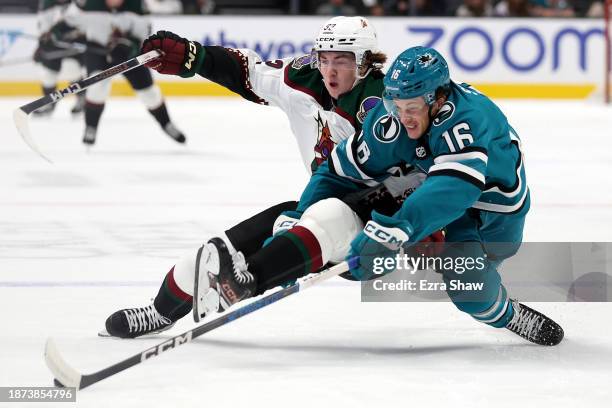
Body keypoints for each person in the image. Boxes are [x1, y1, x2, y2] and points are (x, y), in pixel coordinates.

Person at [186, 46, 564, 346]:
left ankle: (508, 313)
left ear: (438, 100)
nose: (403, 119)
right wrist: (302, 214)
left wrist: (399, 228)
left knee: (468, 289)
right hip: (427, 188)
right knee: (340, 222)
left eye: (412, 109)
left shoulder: (468, 119)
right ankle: (257, 273)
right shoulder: (393, 119)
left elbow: (456, 189)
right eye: (396, 107)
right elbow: (336, 172)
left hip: (490, 212)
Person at [103, 16, 436, 338]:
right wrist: (194, 57)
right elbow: (249, 72)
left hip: (375, 228)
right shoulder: (304, 78)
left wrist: (424, 222)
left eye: (343, 61)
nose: (330, 70)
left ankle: (246, 283)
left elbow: (426, 168)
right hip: (318, 204)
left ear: (365, 62)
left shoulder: (390, 104)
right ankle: (161, 311)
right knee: (216, 252)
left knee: (326, 214)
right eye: (325, 58)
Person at [66, 0, 186, 145]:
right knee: (96, 89)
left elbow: (144, 38)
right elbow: (68, 23)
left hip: (128, 56)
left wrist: (130, 46)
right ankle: (91, 127)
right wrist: (56, 34)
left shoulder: (138, 6)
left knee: (150, 93)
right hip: (97, 52)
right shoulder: (87, 4)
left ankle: (166, 123)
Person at [33, 0, 86, 116]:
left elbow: (83, 24)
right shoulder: (46, 5)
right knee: (48, 74)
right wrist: (42, 45)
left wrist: (71, 35)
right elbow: (44, 28)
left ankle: (81, 98)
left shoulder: (78, 4)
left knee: (71, 69)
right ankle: (49, 103)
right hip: (53, 47)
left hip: (73, 47)